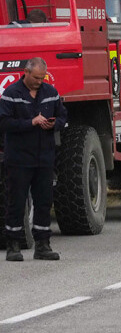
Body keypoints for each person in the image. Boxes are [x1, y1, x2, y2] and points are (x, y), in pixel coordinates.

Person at [0, 57, 67, 262]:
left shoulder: (51, 93)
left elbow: (64, 116)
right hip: (19, 158)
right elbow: (4, 123)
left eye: (42, 77)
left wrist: (54, 124)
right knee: (17, 202)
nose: (39, 81)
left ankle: (43, 245)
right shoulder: (11, 95)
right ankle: (13, 245)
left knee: (44, 202)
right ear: (26, 73)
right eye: (36, 77)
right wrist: (31, 122)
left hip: (44, 157)